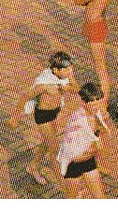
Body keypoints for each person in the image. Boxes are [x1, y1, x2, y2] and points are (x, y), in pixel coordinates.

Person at [24, 52, 76, 185]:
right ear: (55, 70)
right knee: (54, 149)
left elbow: (75, 89)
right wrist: (14, 118)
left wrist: (67, 85)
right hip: (43, 115)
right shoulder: (44, 81)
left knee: (48, 143)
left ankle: (33, 166)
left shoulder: (65, 76)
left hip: (55, 112)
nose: (70, 71)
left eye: (71, 68)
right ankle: (64, 184)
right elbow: (26, 97)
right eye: (67, 69)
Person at [57, 82, 109, 198]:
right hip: (73, 164)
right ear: (84, 102)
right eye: (93, 103)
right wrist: (94, 150)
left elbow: (100, 132)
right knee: (72, 198)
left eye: (98, 102)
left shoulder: (96, 113)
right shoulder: (77, 123)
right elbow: (73, 156)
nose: (96, 107)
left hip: (88, 160)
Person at [73, 0, 112, 97]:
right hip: (92, 23)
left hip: (96, 25)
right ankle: (104, 95)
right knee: (98, 65)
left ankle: (105, 99)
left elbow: (79, 0)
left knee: (100, 66)